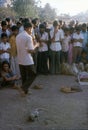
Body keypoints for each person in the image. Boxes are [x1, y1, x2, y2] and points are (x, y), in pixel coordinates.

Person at [16, 22, 38, 95]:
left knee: (24, 76)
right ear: (28, 28)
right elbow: (31, 50)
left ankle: (25, 91)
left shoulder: (18, 36)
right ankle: (23, 88)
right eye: (31, 28)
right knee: (33, 74)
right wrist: (36, 45)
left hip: (20, 59)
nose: (32, 30)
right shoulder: (28, 37)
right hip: (27, 60)